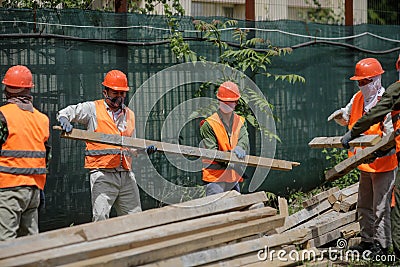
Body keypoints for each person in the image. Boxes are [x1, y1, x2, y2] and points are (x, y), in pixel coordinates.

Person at [57, 69, 157, 221]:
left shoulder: (130, 114)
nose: (119, 97)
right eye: (115, 92)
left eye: (122, 93)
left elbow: (132, 149)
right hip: (102, 174)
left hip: (125, 174)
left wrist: (143, 151)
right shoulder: (93, 109)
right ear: (105, 92)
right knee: (101, 218)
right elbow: (68, 111)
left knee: (135, 218)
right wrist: (64, 119)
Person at [329, 58, 397, 256]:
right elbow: (349, 118)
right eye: (359, 82)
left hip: (383, 164)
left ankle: (382, 246)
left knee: (381, 207)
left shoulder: (387, 101)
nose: (361, 85)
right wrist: (341, 116)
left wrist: (377, 151)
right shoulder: (358, 98)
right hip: (363, 164)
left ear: (376, 80)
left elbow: (391, 136)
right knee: (364, 205)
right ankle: (367, 241)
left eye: (365, 81)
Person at [0, 65, 50, 241]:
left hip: (8, 189)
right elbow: (46, 155)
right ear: (29, 89)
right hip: (34, 190)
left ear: (7, 90)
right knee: (29, 242)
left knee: (6, 243)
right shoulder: (41, 119)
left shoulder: (2, 115)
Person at [200, 81, 249, 196]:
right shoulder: (209, 124)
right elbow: (212, 152)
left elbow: (244, 138)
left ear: (236, 102)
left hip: (233, 176)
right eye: (224, 101)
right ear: (219, 101)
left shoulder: (240, 121)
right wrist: (230, 156)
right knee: (216, 210)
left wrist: (240, 147)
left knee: (236, 211)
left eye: (230, 102)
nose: (227, 104)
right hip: (215, 177)